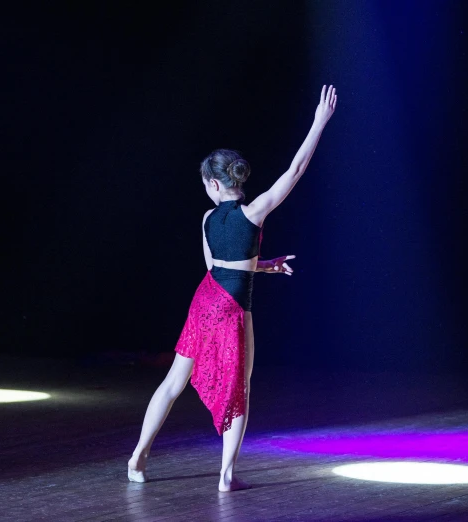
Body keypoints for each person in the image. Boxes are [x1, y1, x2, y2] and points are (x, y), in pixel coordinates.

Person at [128, 85, 337, 492]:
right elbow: (293, 172)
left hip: (204, 298)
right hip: (232, 307)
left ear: (214, 185)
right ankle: (225, 476)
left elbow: (217, 267)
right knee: (239, 388)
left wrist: (264, 266)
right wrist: (318, 123)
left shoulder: (207, 218)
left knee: (172, 382)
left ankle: (138, 456)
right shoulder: (255, 212)